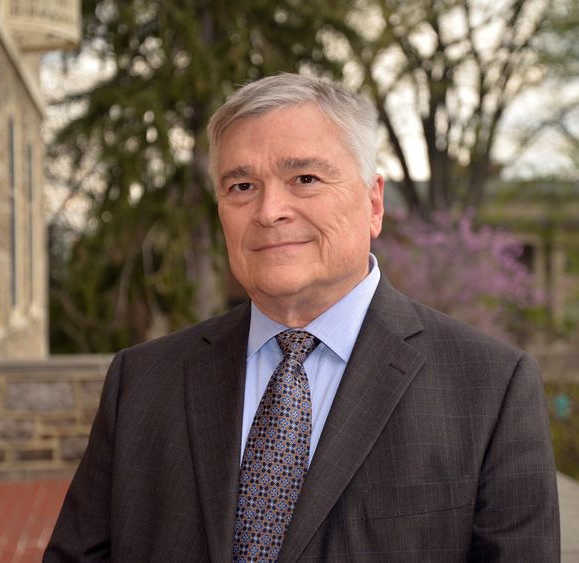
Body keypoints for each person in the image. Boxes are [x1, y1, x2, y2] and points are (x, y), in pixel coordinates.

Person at [44, 73, 559, 562]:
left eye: (305, 178)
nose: (270, 211)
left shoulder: (490, 387)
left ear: (373, 202)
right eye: (241, 186)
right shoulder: (142, 382)